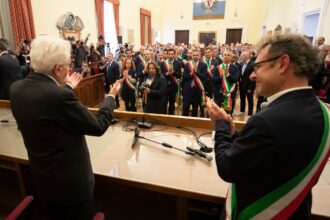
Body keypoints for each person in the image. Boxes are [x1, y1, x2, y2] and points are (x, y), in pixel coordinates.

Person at [207, 34, 330, 219]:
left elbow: (227, 168)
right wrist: (234, 133)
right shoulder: (323, 112)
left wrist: (221, 124)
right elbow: (273, 151)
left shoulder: (267, 120)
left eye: (258, 66)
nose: (253, 74)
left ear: (282, 64)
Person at [10, 35, 121, 219]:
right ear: (58, 68)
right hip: (71, 188)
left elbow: (47, 107)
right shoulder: (59, 97)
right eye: (68, 64)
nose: (70, 68)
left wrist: (67, 87)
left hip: (43, 180)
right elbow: (98, 126)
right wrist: (110, 97)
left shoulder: (16, 88)